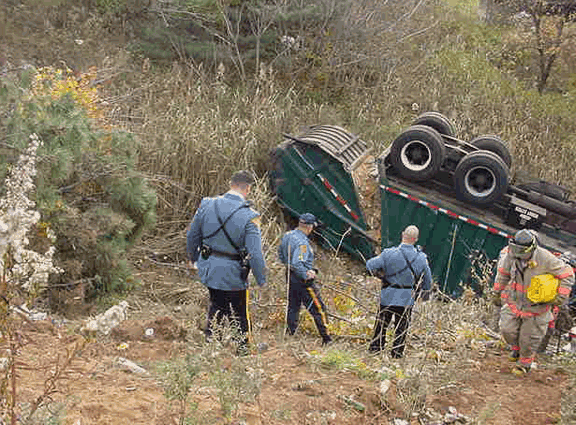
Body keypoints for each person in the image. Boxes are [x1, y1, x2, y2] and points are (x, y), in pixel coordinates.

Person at [186, 170, 267, 354]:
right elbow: (255, 253)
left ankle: (211, 344)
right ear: (248, 188)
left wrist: (193, 259)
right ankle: (244, 350)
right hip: (233, 274)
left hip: (208, 268)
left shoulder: (207, 204)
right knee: (240, 314)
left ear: (231, 184)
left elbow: (192, 236)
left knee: (217, 304)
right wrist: (261, 279)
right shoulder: (250, 216)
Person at [493, 229, 574, 373]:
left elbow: (567, 274)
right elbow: (503, 273)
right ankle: (516, 349)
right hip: (515, 303)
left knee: (529, 339)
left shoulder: (545, 258)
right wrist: (497, 292)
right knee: (507, 330)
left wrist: (560, 298)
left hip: (536, 308)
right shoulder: (510, 254)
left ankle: (524, 365)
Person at [366, 225, 432, 358]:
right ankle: (396, 354)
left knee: (381, 324)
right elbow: (428, 280)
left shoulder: (388, 253)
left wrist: (379, 274)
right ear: (416, 239)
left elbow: (369, 265)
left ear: (403, 235)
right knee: (401, 329)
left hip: (388, 295)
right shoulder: (421, 258)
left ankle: (375, 349)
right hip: (407, 298)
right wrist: (424, 295)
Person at [278, 213, 332, 345]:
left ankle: (290, 335)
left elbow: (280, 253)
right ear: (310, 227)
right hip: (302, 280)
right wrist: (307, 274)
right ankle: (327, 338)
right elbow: (298, 263)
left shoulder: (288, 236)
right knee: (319, 308)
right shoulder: (302, 243)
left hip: (289, 275)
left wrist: (289, 265)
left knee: (293, 305)